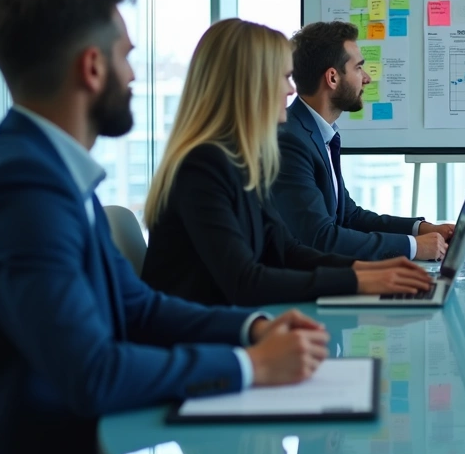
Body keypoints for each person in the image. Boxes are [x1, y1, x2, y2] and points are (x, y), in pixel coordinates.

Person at [0, 0, 331, 454]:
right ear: (92, 67)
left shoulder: (47, 171)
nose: (132, 75)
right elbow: (93, 373)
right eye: (126, 56)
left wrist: (252, 328)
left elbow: (138, 307)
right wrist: (248, 366)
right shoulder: (19, 188)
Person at [142, 18, 434, 306]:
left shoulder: (242, 160)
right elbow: (245, 281)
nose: (291, 90)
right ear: (251, 85)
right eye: (283, 77)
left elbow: (285, 249)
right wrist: (356, 281)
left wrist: (365, 270)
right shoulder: (202, 166)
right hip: (203, 331)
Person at [274, 21, 453, 262]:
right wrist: (412, 247)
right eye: (358, 68)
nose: (367, 79)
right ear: (332, 78)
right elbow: (320, 238)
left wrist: (421, 229)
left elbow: (350, 217)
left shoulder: (318, 134)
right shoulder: (291, 141)